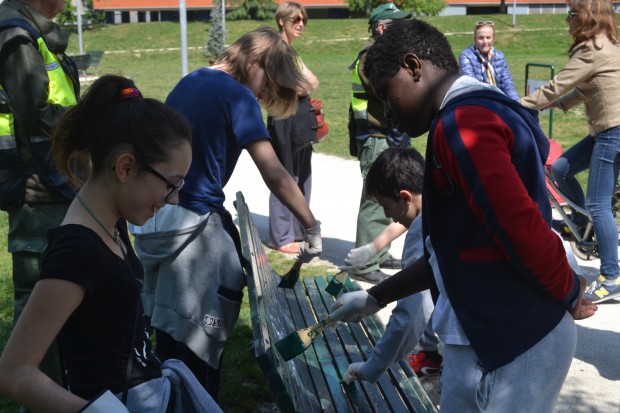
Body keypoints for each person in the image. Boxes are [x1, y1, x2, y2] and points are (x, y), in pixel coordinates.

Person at [328, 19, 598, 412]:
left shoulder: (463, 123)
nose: (387, 112)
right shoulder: (464, 116)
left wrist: (569, 289)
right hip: (498, 335)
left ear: (413, 66)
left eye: (386, 94)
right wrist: (376, 297)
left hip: (521, 339)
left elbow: (517, 222)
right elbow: (450, 251)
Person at [0, 75, 222, 412]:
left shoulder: (111, 224)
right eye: (171, 184)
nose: (174, 200)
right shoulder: (77, 253)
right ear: (126, 167)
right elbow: (15, 372)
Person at [130, 27, 323, 401]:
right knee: (197, 356)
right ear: (255, 62)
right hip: (194, 236)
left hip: (163, 220)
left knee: (171, 339)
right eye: (267, 82)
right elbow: (274, 171)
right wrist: (311, 225)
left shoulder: (191, 80)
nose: (264, 94)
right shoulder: (237, 96)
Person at [0, 0, 80, 398]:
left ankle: (60, 390)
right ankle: (40, 396)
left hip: (55, 183)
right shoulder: (16, 35)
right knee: (40, 300)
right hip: (38, 191)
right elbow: (35, 113)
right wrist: (91, 121)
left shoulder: (32, 32)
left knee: (63, 293)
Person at [521, 0, 620, 304]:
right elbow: (583, 88)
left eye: (571, 13)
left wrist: (516, 105)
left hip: (611, 131)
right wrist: (557, 104)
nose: (567, 19)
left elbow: (556, 85)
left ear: (586, 17)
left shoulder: (590, 49)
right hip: (609, 129)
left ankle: (611, 275)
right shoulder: (608, 44)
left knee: (598, 203)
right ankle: (583, 227)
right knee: (561, 168)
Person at [341, 147, 441, 385]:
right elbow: (406, 214)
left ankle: (431, 356)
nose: (388, 216)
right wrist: (373, 247)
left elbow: (411, 313)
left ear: (405, 196)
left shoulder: (423, 227)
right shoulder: (439, 202)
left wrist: (373, 366)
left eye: (386, 206)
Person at [348, 2, 412, 284]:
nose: (404, 29)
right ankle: (363, 265)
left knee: (390, 196)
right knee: (375, 199)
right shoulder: (372, 56)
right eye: (397, 24)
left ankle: (380, 251)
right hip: (376, 137)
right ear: (382, 28)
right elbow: (390, 93)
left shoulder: (381, 54)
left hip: (384, 134)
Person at [267, 2, 319, 254]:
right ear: (282, 20)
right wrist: (301, 84)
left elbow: (313, 82)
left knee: (303, 177)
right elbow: (296, 86)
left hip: (300, 121)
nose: (300, 24)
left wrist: (301, 84)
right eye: (295, 20)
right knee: (284, 176)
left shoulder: (292, 53)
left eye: (303, 20)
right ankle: (281, 236)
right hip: (283, 120)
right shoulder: (276, 50)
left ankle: (299, 229)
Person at [459, 20, 520, 101]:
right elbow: (471, 87)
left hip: (499, 100)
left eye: (488, 37)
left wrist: (517, 104)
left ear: (493, 38)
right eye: (481, 38)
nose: (485, 41)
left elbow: (508, 85)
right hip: (475, 101)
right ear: (475, 39)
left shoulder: (499, 56)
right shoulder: (466, 55)